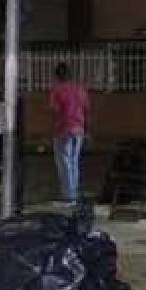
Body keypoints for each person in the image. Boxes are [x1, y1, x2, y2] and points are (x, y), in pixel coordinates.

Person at [48, 62, 89, 203]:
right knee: (73, 162)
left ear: (57, 76)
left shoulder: (57, 90)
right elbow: (86, 109)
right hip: (79, 129)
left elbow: (55, 111)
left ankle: (69, 196)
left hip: (63, 129)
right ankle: (73, 193)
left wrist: (53, 128)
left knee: (64, 162)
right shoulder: (80, 89)